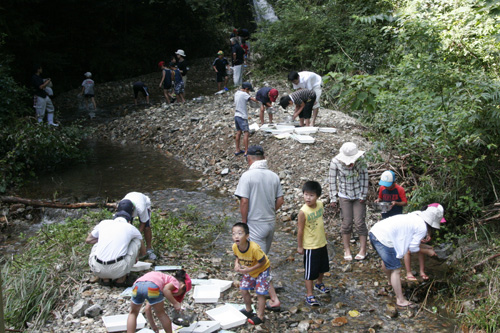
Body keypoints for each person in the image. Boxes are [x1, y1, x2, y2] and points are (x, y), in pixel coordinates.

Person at [369, 204, 445, 309]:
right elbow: (412, 248)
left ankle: (391, 282)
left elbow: (410, 240)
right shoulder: (422, 227)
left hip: (375, 232)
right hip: (383, 237)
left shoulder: (416, 215)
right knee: (396, 269)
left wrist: (426, 247)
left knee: (387, 261)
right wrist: (428, 252)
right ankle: (400, 299)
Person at [234, 145, 282, 311]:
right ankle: (264, 289)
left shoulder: (247, 176)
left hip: (255, 224)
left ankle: (274, 299)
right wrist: (269, 211)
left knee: (260, 264)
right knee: (262, 260)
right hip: (270, 223)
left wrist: (243, 223)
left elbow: (244, 201)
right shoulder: (274, 176)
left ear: (249, 159)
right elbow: (280, 200)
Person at [328, 142, 369, 261]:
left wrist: (363, 194)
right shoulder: (335, 161)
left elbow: (364, 177)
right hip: (344, 195)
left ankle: (363, 250)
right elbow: (332, 180)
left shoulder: (361, 161)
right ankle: (347, 250)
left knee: (360, 222)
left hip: (358, 195)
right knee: (346, 223)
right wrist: (333, 198)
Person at [86, 211, 146, 286]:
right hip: (119, 270)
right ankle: (121, 280)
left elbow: (88, 240)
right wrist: (135, 258)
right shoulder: (131, 227)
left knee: (97, 244)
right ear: (129, 221)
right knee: (136, 241)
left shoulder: (103, 223)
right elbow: (143, 253)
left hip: (98, 269)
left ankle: (105, 279)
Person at [232, 223, 276, 325]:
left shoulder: (254, 248)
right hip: (249, 269)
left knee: (260, 292)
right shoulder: (235, 246)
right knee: (243, 288)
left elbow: (263, 262)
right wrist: (236, 264)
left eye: (239, 233)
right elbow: (237, 257)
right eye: (234, 234)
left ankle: (260, 316)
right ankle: (249, 310)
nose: (236, 236)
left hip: (262, 270)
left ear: (247, 236)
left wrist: (249, 270)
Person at [296, 181, 330, 306]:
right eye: (305, 194)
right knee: (309, 271)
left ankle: (319, 283)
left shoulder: (320, 205)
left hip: (321, 242)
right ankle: (309, 294)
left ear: (317, 196)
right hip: (310, 245)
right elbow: (300, 230)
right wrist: (300, 246)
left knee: (323, 266)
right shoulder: (303, 212)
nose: (308, 198)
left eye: (311, 195)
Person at [127, 269, 191, 333]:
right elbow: (166, 290)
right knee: (161, 314)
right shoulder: (175, 282)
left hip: (137, 285)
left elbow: (147, 308)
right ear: (182, 286)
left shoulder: (161, 279)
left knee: (133, 313)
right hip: (152, 287)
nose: (174, 294)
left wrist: (153, 325)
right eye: (180, 293)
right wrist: (175, 303)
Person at [117, 192, 157, 260]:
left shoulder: (141, 208)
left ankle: (149, 248)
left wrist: (136, 234)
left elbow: (143, 223)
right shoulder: (121, 206)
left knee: (147, 227)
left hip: (143, 202)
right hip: (130, 200)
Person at [233, 82, 257, 156]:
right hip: (242, 116)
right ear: (246, 89)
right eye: (249, 90)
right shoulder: (244, 94)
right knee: (246, 133)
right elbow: (253, 99)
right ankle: (246, 151)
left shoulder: (237, 93)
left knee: (238, 132)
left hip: (236, 115)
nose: (249, 92)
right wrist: (260, 100)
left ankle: (237, 150)